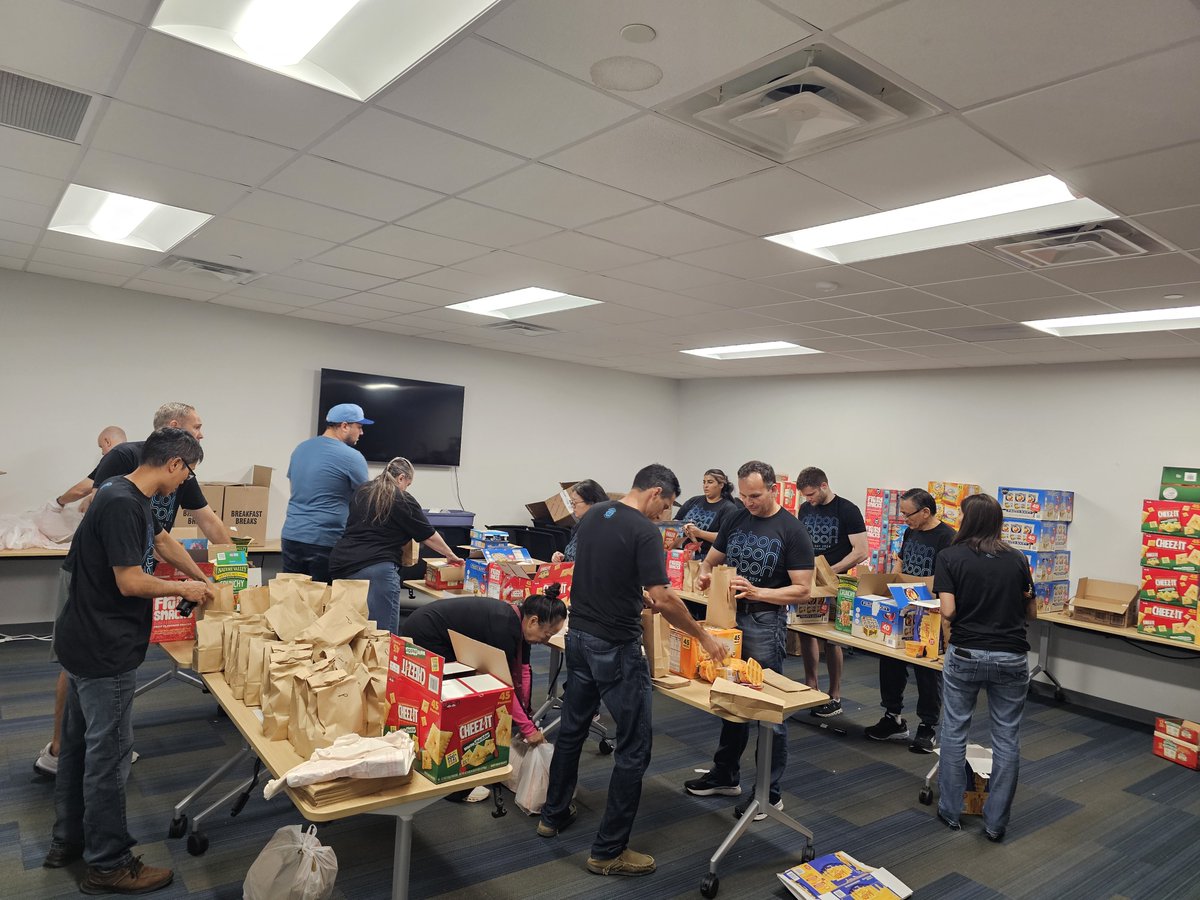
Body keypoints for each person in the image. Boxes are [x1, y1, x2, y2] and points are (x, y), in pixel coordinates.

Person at [45, 427, 214, 894]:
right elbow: (130, 583)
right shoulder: (122, 502)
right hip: (106, 648)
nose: (185, 484)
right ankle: (108, 864)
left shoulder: (123, 491)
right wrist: (183, 589)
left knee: (78, 750)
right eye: (188, 474)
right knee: (108, 759)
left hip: (82, 641)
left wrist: (203, 579)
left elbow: (163, 544)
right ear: (175, 464)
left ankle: (69, 841)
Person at [538, 464, 724, 878]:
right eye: (667, 505)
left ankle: (552, 815)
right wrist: (705, 639)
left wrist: (632, 595)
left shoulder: (593, 516)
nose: (664, 515)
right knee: (634, 748)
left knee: (572, 729)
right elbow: (666, 598)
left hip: (579, 637)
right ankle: (608, 852)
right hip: (615, 648)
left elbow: (599, 573)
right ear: (656, 492)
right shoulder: (643, 531)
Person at [35, 404, 225, 779]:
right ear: (174, 449)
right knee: (79, 663)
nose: (202, 433)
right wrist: (181, 587)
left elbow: (167, 537)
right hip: (92, 573)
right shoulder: (125, 473)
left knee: (100, 662)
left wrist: (220, 571)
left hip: (130, 572)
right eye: (197, 427)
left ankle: (89, 747)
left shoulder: (149, 486)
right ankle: (60, 749)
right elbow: (97, 508)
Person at [684, 461, 815, 820]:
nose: (748, 501)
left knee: (767, 709)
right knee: (730, 700)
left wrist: (758, 592)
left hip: (763, 623)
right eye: (743, 495)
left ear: (773, 489)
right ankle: (726, 775)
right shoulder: (735, 517)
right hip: (729, 619)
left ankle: (769, 794)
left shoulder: (792, 530)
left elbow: (803, 590)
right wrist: (706, 576)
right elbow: (711, 561)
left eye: (755, 495)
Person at [934, 493, 1036, 842]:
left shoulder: (949, 556)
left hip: (965, 654)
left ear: (966, 520)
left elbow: (947, 611)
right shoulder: (1018, 558)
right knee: (1006, 738)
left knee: (954, 731)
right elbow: (1031, 613)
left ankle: (950, 811)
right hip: (1011, 657)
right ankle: (995, 824)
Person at [401, 586, 568, 748]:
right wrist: (527, 729)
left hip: (440, 631)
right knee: (451, 691)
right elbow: (504, 685)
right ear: (534, 621)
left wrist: (526, 714)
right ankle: (432, 740)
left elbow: (523, 671)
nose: (546, 641)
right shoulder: (504, 628)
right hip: (425, 632)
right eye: (548, 634)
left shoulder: (519, 621)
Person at [865, 488, 956, 753]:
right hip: (904, 607)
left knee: (927, 670)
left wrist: (912, 588)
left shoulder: (948, 538)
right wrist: (893, 587)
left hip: (931, 612)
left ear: (925, 511)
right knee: (890, 661)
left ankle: (928, 726)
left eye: (908, 514)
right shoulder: (910, 532)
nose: (904, 519)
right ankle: (892, 717)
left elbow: (944, 582)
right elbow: (901, 564)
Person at [328, 457, 463, 634]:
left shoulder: (362, 490)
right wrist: (450, 554)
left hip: (342, 565)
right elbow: (428, 535)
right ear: (401, 478)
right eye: (408, 483)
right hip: (377, 570)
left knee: (345, 632)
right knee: (382, 637)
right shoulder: (401, 498)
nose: (407, 488)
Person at [796, 466, 868, 718]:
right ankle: (811, 686)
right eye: (805, 496)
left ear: (824, 486)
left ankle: (834, 695)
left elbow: (861, 551)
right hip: (809, 579)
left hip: (837, 581)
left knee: (833, 638)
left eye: (812, 494)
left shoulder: (847, 510)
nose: (809, 500)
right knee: (805, 632)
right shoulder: (805, 509)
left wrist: (830, 570)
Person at [281, 403, 372, 582]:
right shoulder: (352, 457)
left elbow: (295, 489)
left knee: (291, 601)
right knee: (324, 605)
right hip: (325, 541)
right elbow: (367, 501)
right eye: (359, 427)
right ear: (345, 426)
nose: (361, 433)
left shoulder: (301, 449)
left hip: (292, 536)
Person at [53, 425, 127, 511]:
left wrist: (58, 502)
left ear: (107, 442)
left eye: (101, 447)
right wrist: (89, 498)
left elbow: (80, 490)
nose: (102, 453)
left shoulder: (114, 457)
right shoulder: (137, 455)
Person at [679, 468, 741, 558]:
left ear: (721, 485)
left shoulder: (728, 508)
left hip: (708, 557)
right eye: (704, 482)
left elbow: (727, 537)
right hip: (684, 553)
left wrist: (699, 533)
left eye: (710, 482)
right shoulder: (694, 501)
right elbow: (676, 522)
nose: (705, 485)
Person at [551, 479, 608, 563]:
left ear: (592, 503)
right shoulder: (580, 525)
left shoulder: (604, 531)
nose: (572, 506)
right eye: (571, 502)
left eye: (575, 502)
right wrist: (562, 558)